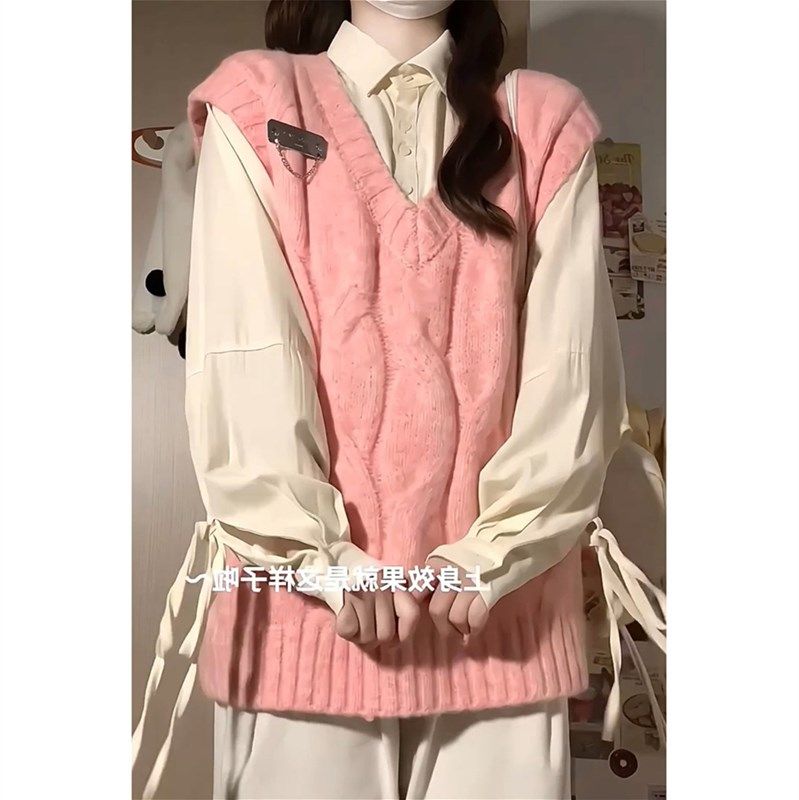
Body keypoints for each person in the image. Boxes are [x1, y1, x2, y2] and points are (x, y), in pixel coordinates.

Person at [133, 1, 666, 798]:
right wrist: (318, 560)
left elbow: (572, 375)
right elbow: (247, 358)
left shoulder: (543, 122)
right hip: (308, 624)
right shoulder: (262, 100)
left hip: (502, 626)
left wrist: (490, 558)